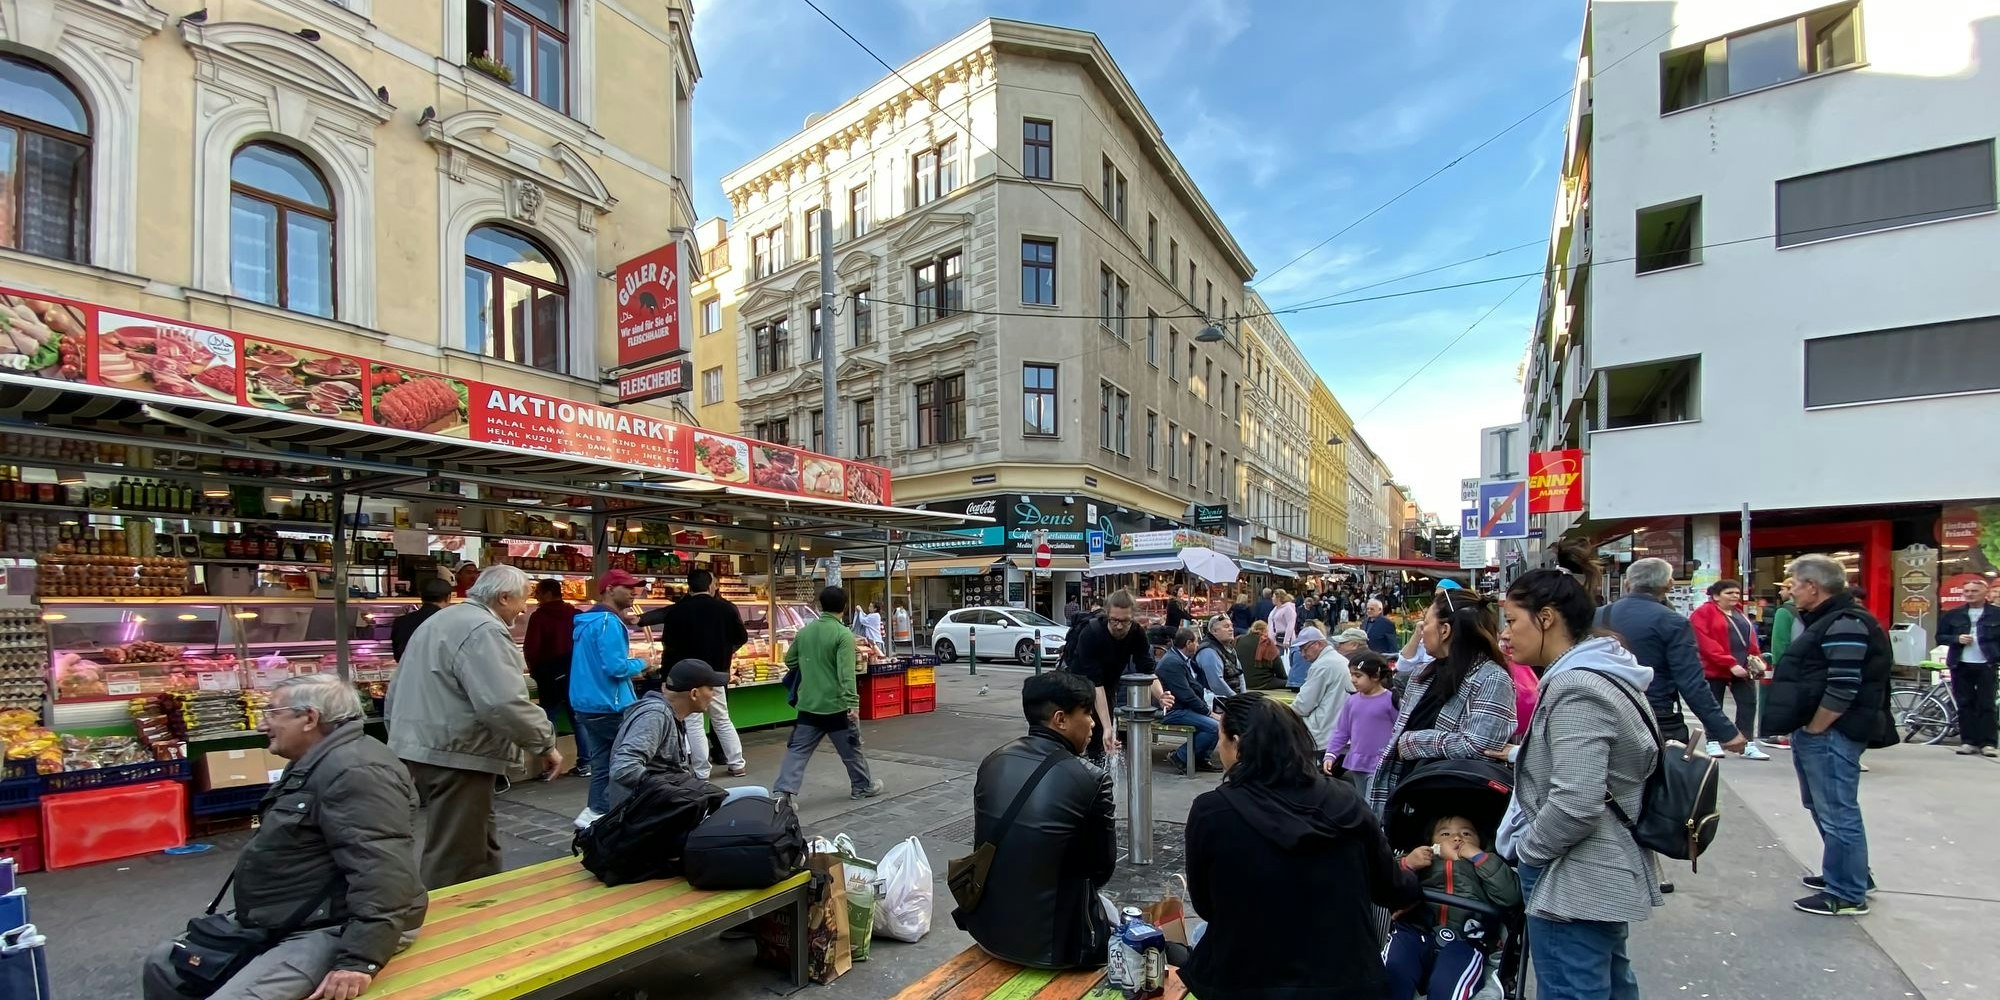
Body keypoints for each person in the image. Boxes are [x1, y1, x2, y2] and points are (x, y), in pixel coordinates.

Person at [143, 676, 427, 1000]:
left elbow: (382, 872)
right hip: (292, 915)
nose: (264, 723)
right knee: (165, 964)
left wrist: (359, 961)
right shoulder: (317, 760)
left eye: (272, 712)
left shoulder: (355, 772)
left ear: (309, 718)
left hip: (339, 926)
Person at [1494, 543, 1660, 1000]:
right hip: (1594, 866)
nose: (1506, 636)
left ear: (1546, 618)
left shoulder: (1576, 688)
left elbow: (1576, 801)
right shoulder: (1600, 672)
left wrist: (1528, 851)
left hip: (1575, 874)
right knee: (1607, 983)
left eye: (1512, 621)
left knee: (1572, 989)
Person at [1181, 693, 1420, 999]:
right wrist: (1413, 877)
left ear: (1239, 746)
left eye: (1221, 740)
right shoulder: (1346, 801)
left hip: (1244, 980)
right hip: (1347, 980)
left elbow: (1206, 906)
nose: (1218, 749)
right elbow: (1390, 887)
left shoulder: (1213, 811)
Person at [386, 565, 559, 889]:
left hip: (427, 744)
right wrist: (545, 742)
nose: (523, 610)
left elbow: (397, 686)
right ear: (504, 596)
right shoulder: (483, 629)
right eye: (522, 600)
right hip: (456, 750)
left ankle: (485, 904)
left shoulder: (441, 620)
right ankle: (451, 923)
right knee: (458, 852)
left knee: (477, 839)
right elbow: (502, 702)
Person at [1763, 553, 1896, 916]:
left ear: (1813, 586)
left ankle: (1847, 892)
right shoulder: (1829, 620)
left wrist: (1816, 727)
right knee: (1824, 806)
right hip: (1823, 731)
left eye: (1793, 583)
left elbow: (1843, 685)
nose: (1789, 592)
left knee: (1837, 810)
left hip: (1833, 732)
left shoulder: (1845, 623)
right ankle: (1847, 874)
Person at [960, 672, 1116, 969]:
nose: (1094, 723)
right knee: (1114, 916)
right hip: (1059, 950)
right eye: (1087, 714)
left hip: (987, 931)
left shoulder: (994, 760)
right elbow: (1101, 870)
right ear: (1060, 719)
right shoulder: (1091, 778)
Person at [1367, 589, 1515, 818]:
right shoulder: (1423, 674)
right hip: (1405, 794)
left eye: (1425, 623)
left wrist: (1413, 741)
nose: (1421, 630)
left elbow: (1480, 747)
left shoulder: (1491, 678)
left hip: (1453, 812)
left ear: (1444, 630)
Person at [1598, 558, 1746, 755]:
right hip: (1654, 714)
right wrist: (1725, 731)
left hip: (1601, 710)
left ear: (1627, 584)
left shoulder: (1599, 615)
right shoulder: (1673, 621)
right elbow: (1691, 682)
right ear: (1669, 584)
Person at [1384, 815, 1522, 1000]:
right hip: (1416, 932)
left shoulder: (1487, 863)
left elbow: (1511, 896)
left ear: (1480, 841)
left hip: (1466, 940)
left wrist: (1480, 858)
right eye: (1445, 834)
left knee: (1447, 985)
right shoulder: (1422, 861)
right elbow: (1385, 884)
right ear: (1431, 843)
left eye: (1466, 833)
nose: (1457, 838)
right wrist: (1408, 864)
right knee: (1393, 971)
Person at [636, 568, 749, 779]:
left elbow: (668, 644)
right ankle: (737, 763)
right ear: (711, 585)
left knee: (694, 722)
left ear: (689, 587)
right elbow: (741, 637)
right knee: (722, 718)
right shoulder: (726, 608)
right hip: (715, 673)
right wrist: (725, 652)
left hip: (686, 675)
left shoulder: (678, 610)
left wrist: (666, 675)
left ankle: (701, 770)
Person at [775, 586, 884, 800]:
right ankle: (862, 786)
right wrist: (853, 704)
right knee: (851, 750)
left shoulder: (805, 632)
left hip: (808, 703)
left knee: (797, 751)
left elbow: (789, 660)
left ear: (820, 605)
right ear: (844, 606)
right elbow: (846, 673)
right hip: (837, 705)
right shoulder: (843, 634)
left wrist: (812, 664)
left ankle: (782, 794)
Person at [569, 569, 653, 828]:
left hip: (587, 703)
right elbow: (616, 668)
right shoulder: (609, 622)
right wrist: (643, 662)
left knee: (602, 764)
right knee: (630, 764)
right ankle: (623, 820)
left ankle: (595, 815)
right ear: (608, 589)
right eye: (626, 587)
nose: (633, 592)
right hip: (611, 704)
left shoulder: (587, 621)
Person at [607, 659, 732, 809]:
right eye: (711, 688)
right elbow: (623, 768)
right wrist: (673, 790)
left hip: (665, 802)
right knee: (753, 796)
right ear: (694, 693)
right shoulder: (656, 715)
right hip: (647, 812)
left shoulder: (671, 714)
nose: (713, 695)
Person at [1063, 588, 1159, 762]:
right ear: (1107, 614)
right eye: (1114, 620)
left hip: (1108, 685)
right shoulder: (1092, 633)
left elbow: (1147, 670)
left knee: (1100, 741)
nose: (1119, 626)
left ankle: (1098, 777)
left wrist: (1162, 695)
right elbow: (1095, 682)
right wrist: (1108, 727)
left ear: (1133, 617)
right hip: (1078, 685)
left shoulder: (1137, 632)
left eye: (1125, 621)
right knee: (1077, 735)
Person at [1691, 578, 1772, 760]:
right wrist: (1729, 663)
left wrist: (1756, 659)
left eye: (1736, 592)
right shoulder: (1703, 613)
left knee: (1748, 705)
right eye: (1729, 593)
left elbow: (1750, 640)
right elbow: (1705, 643)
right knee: (1714, 705)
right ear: (1716, 596)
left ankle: (1748, 743)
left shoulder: (1739, 614)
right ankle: (1713, 741)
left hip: (1743, 668)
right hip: (1714, 669)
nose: (1734, 596)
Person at [521, 578, 578, 773]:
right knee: (576, 716)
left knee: (549, 716)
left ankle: (550, 761)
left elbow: (531, 648)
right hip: (574, 671)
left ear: (547, 594)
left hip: (548, 674)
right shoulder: (575, 613)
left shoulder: (539, 616)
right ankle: (586, 761)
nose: (535, 596)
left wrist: (534, 670)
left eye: (538, 592)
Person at [1323, 651, 1397, 799]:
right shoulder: (1352, 701)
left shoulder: (1391, 701)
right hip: (1358, 763)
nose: (1353, 680)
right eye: (1351, 675)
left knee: (1375, 804)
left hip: (1381, 764)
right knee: (1362, 802)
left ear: (1375, 676)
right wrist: (1330, 755)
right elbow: (1342, 731)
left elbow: (1399, 730)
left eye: (1358, 675)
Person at [1939, 578, 2000, 757]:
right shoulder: (1953, 614)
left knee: (1987, 704)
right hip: (1960, 663)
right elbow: (1940, 636)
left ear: (1985, 593)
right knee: (1964, 704)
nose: (1970, 594)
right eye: (1967, 591)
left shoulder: (1996, 614)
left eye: (1974, 591)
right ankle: (1968, 742)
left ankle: (1988, 743)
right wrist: (1956, 639)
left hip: (1987, 663)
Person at [1155, 627, 1223, 772]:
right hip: (1174, 711)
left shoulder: (1181, 659)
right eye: (1196, 641)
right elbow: (1186, 694)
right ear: (1188, 643)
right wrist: (1208, 712)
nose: (1198, 645)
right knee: (1214, 726)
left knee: (1217, 724)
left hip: (1184, 707)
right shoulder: (1172, 663)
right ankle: (1180, 756)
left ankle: (1200, 758)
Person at [1288, 627, 1354, 749]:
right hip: (1342, 733)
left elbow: (1303, 706)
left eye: (1304, 649)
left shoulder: (1321, 666)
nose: (1302, 654)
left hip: (1322, 734)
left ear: (1318, 644)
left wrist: (1281, 712)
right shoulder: (1341, 660)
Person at [388, 577, 452, 661]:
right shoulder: (452, 623)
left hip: (409, 672)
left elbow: (398, 657)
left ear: (421, 596)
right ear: (448, 597)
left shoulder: (401, 622)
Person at [1194, 615, 1242, 697]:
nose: (1231, 629)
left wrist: (1244, 696)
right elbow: (1216, 684)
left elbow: (1240, 674)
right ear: (1215, 631)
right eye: (1226, 626)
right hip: (1217, 699)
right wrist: (1237, 699)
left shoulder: (1230, 648)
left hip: (1235, 696)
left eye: (1231, 626)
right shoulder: (1208, 651)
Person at [1768, 578, 1802, 671]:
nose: (1779, 593)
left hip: (1788, 664)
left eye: (1782, 589)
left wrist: (1776, 663)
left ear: (1791, 590)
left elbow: (1780, 641)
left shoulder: (1784, 611)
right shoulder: (1809, 608)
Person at [1267, 588, 1297, 653]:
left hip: (1282, 639)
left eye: (1273, 597)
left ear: (1278, 598)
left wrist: (1286, 640)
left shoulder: (1288, 608)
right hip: (1274, 639)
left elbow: (1290, 624)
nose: (1272, 598)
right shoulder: (1275, 609)